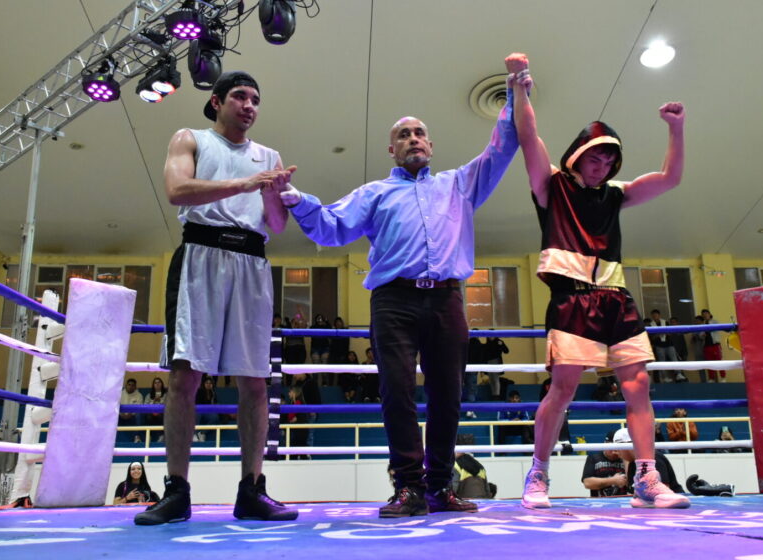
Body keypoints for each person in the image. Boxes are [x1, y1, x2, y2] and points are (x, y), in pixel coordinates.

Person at [276, 53, 520, 518]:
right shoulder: (374, 193)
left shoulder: (459, 184)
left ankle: (440, 487)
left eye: (419, 132)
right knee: (397, 391)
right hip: (394, 300)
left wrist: (514, 93)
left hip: (447, 297)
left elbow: (502, 147)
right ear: (392, 149)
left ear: (431, 143)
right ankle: (408, 488)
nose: (413, 139)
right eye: (403, 135)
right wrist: (298, 201)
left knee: (449, 393)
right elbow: (330, 228)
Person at [508, 52, 689, 510]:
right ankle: (539, 473)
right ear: (579, 155)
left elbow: (670, 179)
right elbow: (528, 136)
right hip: (571, 298)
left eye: (610, 158)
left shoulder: (615, 195)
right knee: (563, 388)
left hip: (617, 299)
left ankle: (646, 479)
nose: (603, 164)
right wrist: (518, 85)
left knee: (639, 384)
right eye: (597, 156)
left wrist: (676, 128)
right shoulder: (552, 186)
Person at [135, 71, 297, 525]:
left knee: (255, 381)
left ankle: (252, 490)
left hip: (251, 260)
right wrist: (245, 184)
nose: (249, 105)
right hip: (200, 254)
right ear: (217, 100)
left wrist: (270, 193)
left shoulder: (269, 156)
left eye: (256, 100)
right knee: (185, 376)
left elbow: (279, 226)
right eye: (241, 96)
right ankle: (176, 491)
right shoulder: (190, 139)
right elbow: (176, 190)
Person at [613, 428, 685, 496]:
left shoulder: (654, 458)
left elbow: (664, 491)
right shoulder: (632, 464)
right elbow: (633, 493)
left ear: (628, 446)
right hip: (652, 504)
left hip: (673, 503)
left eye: (617, 449)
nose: (614, 452)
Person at [581, 430, 628, 497]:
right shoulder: (594, 458)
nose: (613, 450)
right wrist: (613, 480)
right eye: (610, 446)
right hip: (599, 502)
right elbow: (587, 483)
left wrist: (623, 457)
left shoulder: (626, 459)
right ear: (605, 444)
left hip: (621, 502)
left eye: (616, 447)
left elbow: (633, 483)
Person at [452, 434, 496, 499]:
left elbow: (453, 491)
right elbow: (487, 492)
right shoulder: (480, 467)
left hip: (465, 505)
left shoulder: (455, 466)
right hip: (482, 505)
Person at [649, 309, 677, 383]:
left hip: (669, 344)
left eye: (656, 315)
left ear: (659, 315)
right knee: (662, 361)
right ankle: (664, 377)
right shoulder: (651, 325)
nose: (655, 317)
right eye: (653, 316)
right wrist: (658, 334)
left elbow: (670, 333)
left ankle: (678, 374)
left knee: (674, 359)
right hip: (659, 345)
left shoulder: (665, 322)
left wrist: (665, 332)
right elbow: (651, 338)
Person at [699, 309, 727, 382]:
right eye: (703, 314)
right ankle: (711, 378)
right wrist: (702, 335)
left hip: (715, 344)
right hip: (706, 346)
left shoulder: (715, 321)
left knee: (719, 361)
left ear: (709, 314)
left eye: (706, 313)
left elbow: (716, 329)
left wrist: (708, 327)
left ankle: (723, 377)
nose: (705, 315)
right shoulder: (702, 324)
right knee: (709, 363)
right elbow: (700, 336)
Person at [482, 334, 509, 400]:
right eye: (489, 336)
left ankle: (497, 395)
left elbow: (506, 351)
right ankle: (494, 394)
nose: (490, 337)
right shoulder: (487, 344)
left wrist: (502, 344)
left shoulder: (499, 342)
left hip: (496, 361)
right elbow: (484, 355)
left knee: (495, 378)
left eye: (492, 335)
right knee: (491, 379)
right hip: (488, 362)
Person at [119, 378, 144, 443]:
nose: (130, 386)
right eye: (129, 384)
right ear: (126, 385)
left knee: (139, 414)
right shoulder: (119, 394)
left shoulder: (139, 395)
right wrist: (121, 414)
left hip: (132, 416)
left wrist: (131, 414)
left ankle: (136, 436)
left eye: (133, 385)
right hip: (121, 415)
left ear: (135, 387)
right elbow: (116, 406)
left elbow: (139, 408)